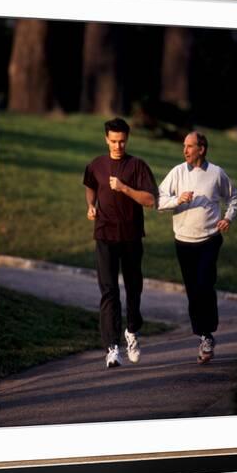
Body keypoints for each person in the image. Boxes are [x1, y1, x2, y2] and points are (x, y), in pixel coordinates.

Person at [157, 131, 237, 364]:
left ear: (201, 149)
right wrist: (177, 200)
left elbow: (232, 198)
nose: (185, 150)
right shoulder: (177, 172)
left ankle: (208, 333)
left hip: (210, 239)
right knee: (193, 290)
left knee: (204, 284)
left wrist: (228, 218)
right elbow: (158, 201)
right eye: (184, 146)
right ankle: (204, 335)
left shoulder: (216, 174)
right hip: (183, 241)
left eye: (189, 146)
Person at [83, 118, 158, 368]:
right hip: (104, 235)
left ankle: (132, 331)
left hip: (131, 237)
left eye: (122, 140)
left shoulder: (137, 166)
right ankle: (112, 348)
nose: (118, 145)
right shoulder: (96, 165)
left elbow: (150, 200)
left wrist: (124, 188)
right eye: (114, 141)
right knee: (108, 291)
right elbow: (91, 186)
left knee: (133, 288)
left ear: (128, 138)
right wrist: (90, 206)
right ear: (106, 139)